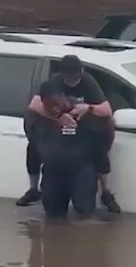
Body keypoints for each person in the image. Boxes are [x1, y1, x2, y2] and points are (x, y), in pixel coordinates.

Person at [18, 55, 122, 213]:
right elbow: (34, 104)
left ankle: (106, 193)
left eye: (75, 77)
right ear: (62, 74)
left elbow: (107, 110)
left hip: (84, 133)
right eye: (69, 78)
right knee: (33, 148)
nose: (72, 81)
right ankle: (33, 189)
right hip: (54, 136)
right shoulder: (53, 83)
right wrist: (58, 117)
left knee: (100, 150)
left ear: (81, 72)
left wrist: (87, 108)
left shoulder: (88, 82)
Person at [29, 80, 99, 220]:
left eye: (57, 104)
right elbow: (33, 145)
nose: (54, 109)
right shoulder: (37, 115)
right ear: (42, 102)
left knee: (85, 215)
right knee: (53, 216)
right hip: (53, 171)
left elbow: (104, 136)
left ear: (63, 96)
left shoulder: (81, 111)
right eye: (50, 105)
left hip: (81, 170)